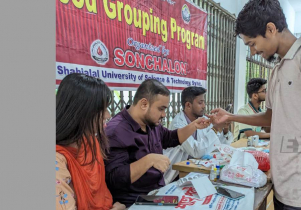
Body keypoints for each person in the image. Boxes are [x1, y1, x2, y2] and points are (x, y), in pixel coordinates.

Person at [209, 0, 301, 209]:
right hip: (282, 183)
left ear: (270, 29)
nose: (252, 52)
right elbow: (270, 117)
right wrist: (231, 117)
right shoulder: (277, 70)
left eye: (252, 44)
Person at [104, 79, 211, 207]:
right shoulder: (117, 131)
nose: (164, 114)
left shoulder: (151, 124)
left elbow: (171, 138)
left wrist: (193, 126)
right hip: (135, 201)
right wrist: (149, 160)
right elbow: (114, 179)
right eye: (161, 109)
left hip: (157, 194)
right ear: (144, 104)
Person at [56, 73, 125, 210]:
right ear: (81, 112)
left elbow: (101, 194)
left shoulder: (90, 142)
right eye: (102, 109)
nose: (108, 115)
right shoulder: (57, 161)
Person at [163, 87, 234, 184]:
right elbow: (196, 151)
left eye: (204, 102)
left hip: (196, 170)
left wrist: (224, 128)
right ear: (188, 105)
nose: (204, 106)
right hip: (177, 175)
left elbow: (219, 145)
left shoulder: (203, 119)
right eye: (200, 103)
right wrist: (216, 128)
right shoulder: (178, 125)